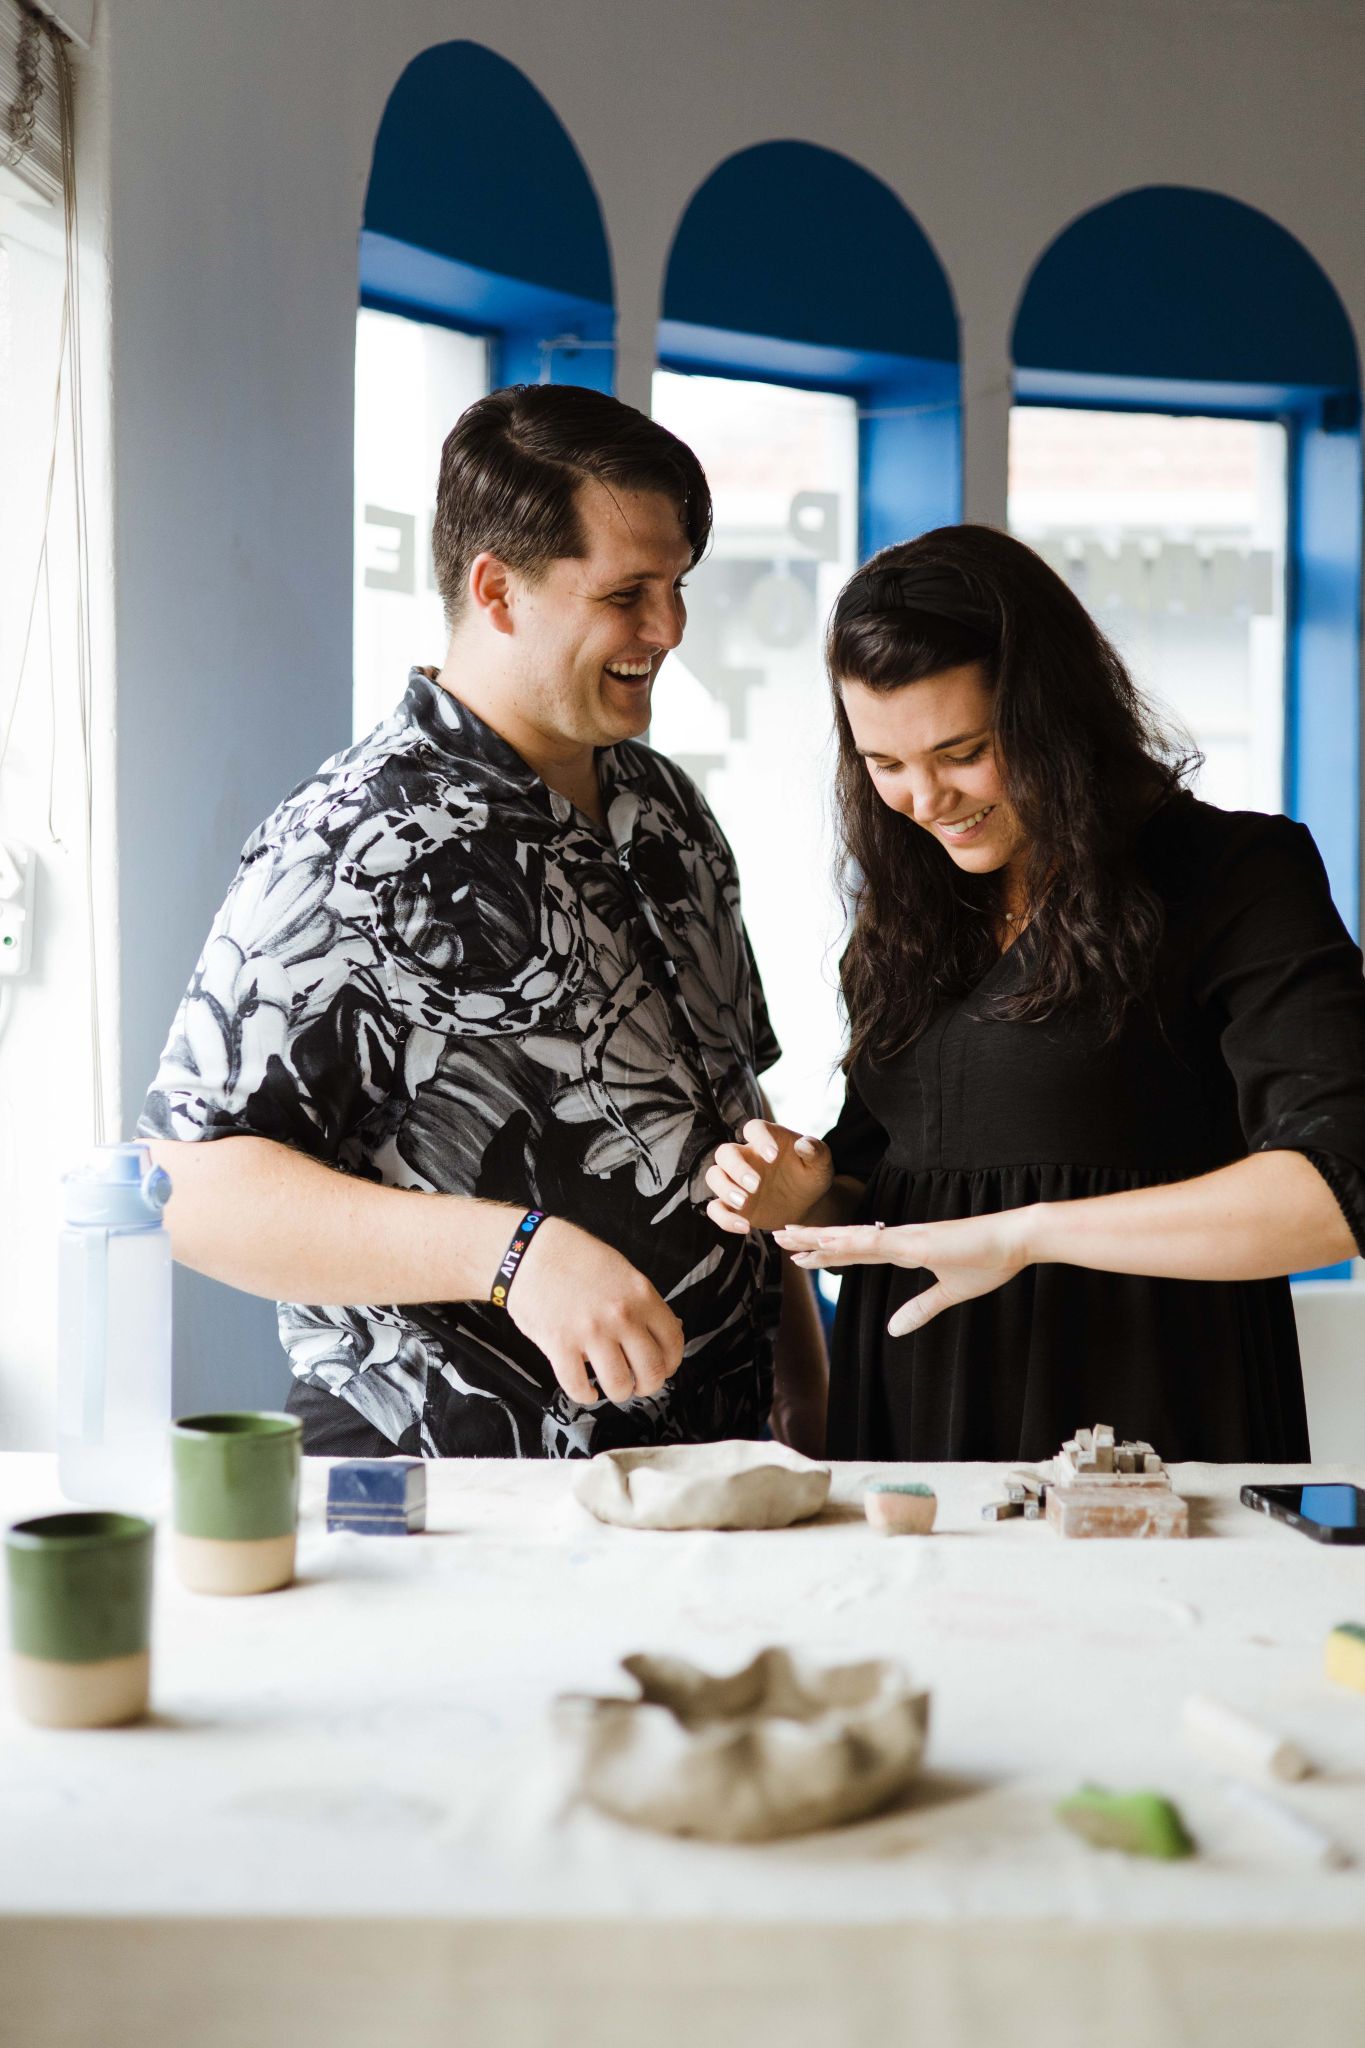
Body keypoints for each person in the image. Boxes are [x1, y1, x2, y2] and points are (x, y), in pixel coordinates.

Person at [139, 383, 827, 1459]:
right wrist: (516, 1254)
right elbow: (195, 1184)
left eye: (680, 584)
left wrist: (803, 1381)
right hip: (451, 1487)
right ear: (497, 591)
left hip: (718, 1466)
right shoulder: (346, 840)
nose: (671, 628)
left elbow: (732, 1112)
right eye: (628, 592)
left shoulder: (669, 806)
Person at [704, 523, 1365, 1463]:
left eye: (963, 750)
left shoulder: (1235, 873)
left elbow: (1336, 1190)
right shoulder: (908, 914)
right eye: (885, 764)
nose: (925, 800)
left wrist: (1025, 1235)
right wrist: (803, 1195)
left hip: (1142, 1413)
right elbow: (878, 1188)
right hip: (911, 1419)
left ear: (1053, 714)